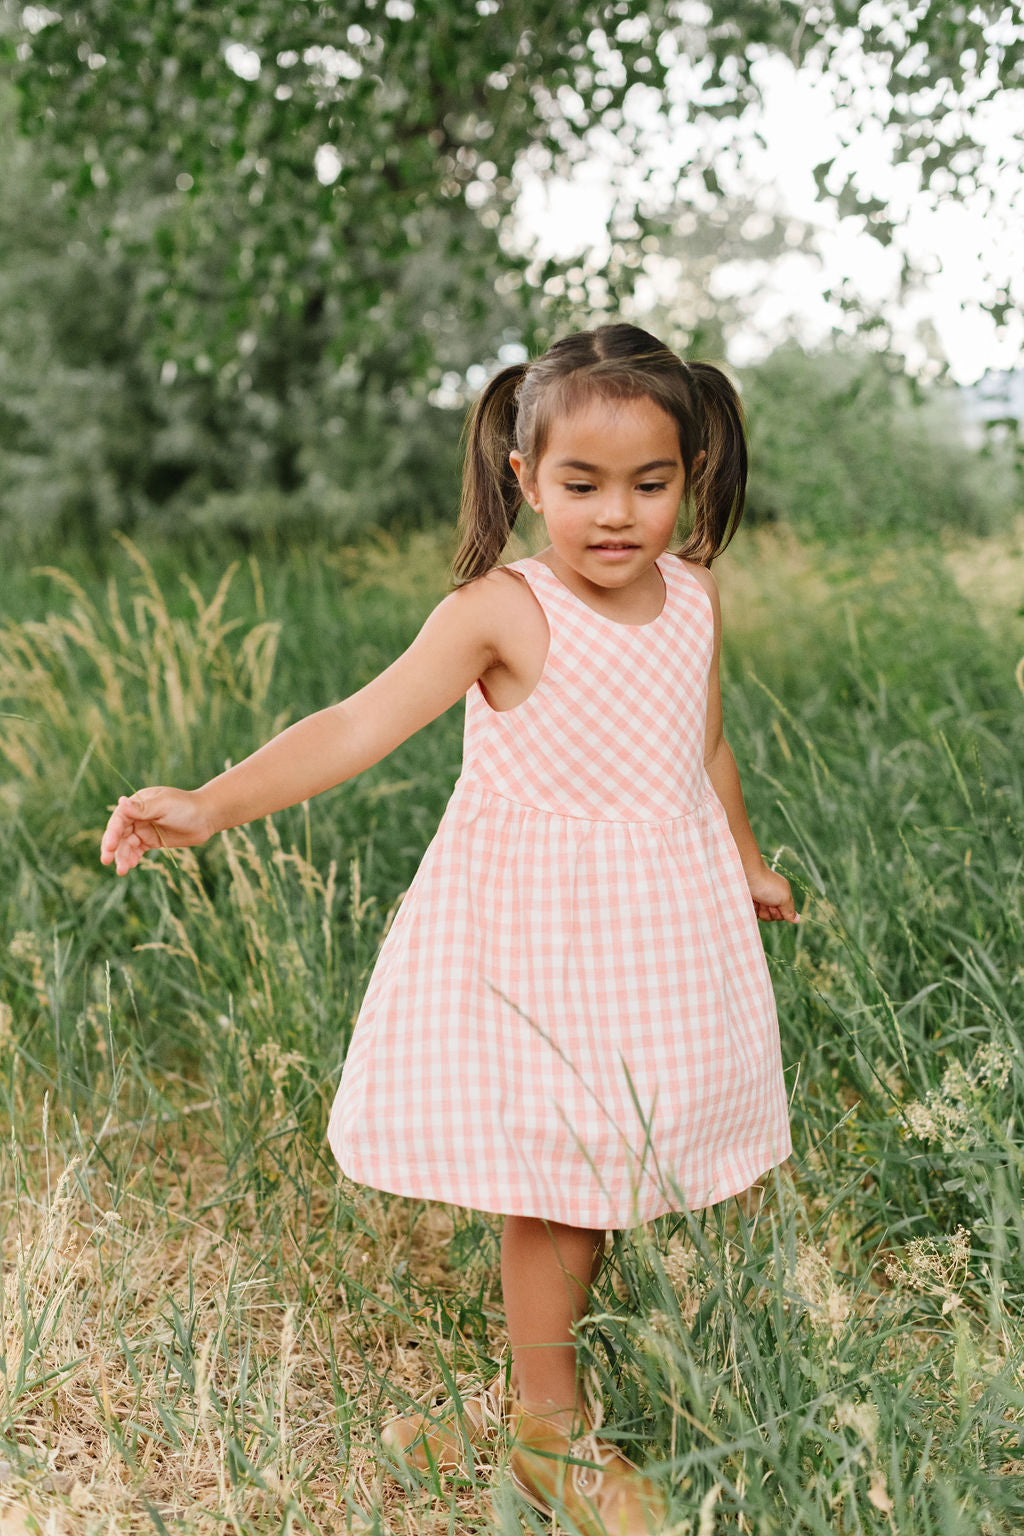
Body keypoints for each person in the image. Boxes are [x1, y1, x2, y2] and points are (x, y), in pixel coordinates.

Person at [100, 323, 799, 1535]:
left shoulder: (691, 596)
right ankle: (547, 1432)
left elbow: (704, 743)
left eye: (650, 482)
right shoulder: (501, 611)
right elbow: (357, 725)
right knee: (563, 1182)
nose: (617, 513)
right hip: (542, 936)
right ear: (526, 480)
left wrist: (741, 855)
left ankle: (539, 1386)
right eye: (582, 485)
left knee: (622, 1159)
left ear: (691, 474)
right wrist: (210, 804)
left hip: (661, 929)